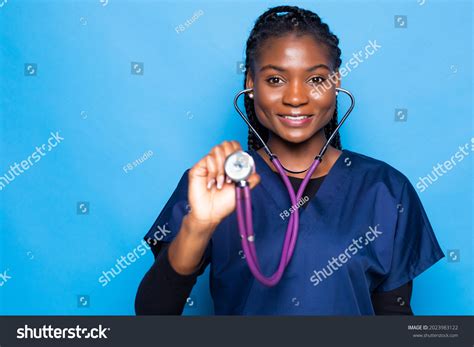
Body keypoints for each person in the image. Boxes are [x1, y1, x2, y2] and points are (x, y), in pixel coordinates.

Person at [135, 5, 444, 315]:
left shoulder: (386, 189)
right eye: (275, 80)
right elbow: (153, 314)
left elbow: (396, 317)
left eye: (315, 80)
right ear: (250, 83)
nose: (295, 98)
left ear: (335, 83)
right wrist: (198, 226)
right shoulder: (211, 183)